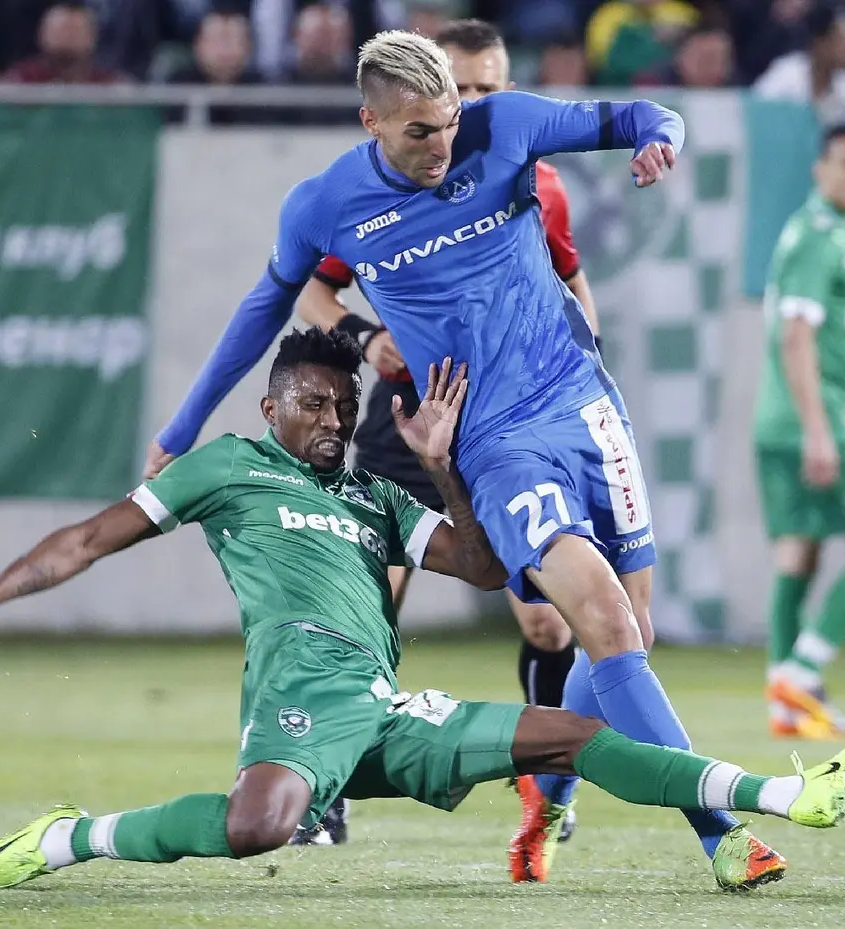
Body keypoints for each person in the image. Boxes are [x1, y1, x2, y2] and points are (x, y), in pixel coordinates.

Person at [0, 329, 845, 890]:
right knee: (258, 827)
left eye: (342, 406)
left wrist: (444, 467)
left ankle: (780, 797)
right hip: (301, 687)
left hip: (378, 702)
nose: (332, 421)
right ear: (272, 409)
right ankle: (70, 836)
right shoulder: (227, 468)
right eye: (313, 405)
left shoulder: (377, 497)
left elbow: (485, 568)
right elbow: (87, 537)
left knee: (574, 734)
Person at [140, 29, 771, 888]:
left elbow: (641, 113)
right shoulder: (325, 204)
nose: (443, 144)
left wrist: (662, 139)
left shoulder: (502, 126)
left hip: (586, 406)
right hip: (495, 444)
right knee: (609, 624)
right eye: (420, 131)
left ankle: (545, 799)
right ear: (370, 121)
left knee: (632, 633)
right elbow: (265, 308)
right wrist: (182, 427)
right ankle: (725, 835)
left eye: (449, 122)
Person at [291, 17, 598, 848]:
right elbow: (313, 292)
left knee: (548, 624)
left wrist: (584, 372)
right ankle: (325, 792)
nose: (469, 107)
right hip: (409, 425)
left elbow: (573, 284)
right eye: (459, 90)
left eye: (485, 89)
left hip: (506, 427)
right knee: (368, 613)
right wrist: (366, 339)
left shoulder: (532, 178)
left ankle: (548, 786)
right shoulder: (373, 190)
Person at [754, 124, 845, 741]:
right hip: (811, 417)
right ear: (820, 168)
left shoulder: (819, 229)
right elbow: (796, 337)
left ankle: (784, 700)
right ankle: (803, 672)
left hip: (777, 418)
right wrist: (819, 428)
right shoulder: (820, 235)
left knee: (799, 549)